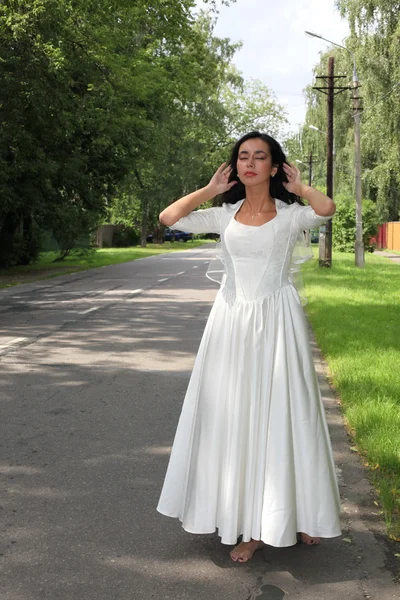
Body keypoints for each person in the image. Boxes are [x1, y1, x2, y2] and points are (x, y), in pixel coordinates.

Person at [156, 131, 341, 563]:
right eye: (243, 157)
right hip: (231, 322)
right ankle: (250, 524)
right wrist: (209, 189)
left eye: (260, 157)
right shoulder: (224, 214)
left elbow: (327, 209)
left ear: (275, 167)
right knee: (238, 413)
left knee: (286, 414)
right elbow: (169, 218)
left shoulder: (292, 215)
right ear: (235, 166)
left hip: (279, 323)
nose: (250, 163)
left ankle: (293, 516)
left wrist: (301, 188)